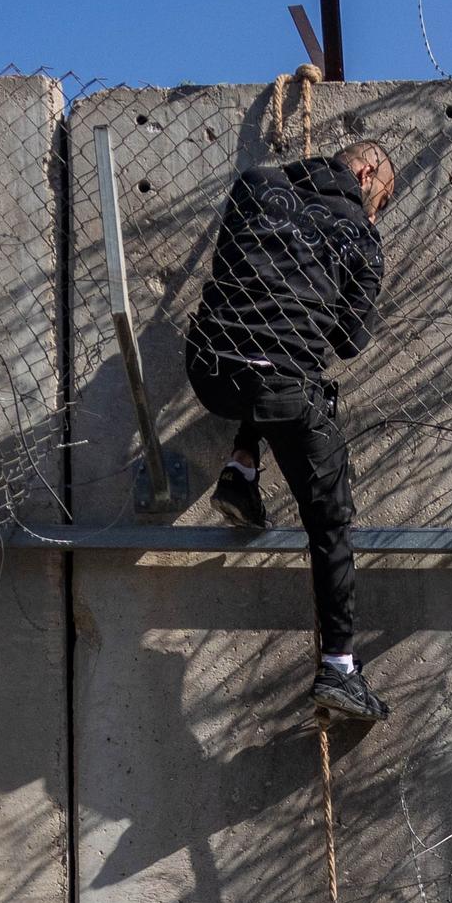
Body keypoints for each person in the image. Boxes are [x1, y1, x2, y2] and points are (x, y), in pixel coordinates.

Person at [184, 136, 399, 728]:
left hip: (211, 367)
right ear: (364, 171)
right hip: (282, 390)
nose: (373, 208)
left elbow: (231, 266)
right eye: (377, 196)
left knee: (264, 349)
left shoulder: (258, 181)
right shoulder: (360, 232)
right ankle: (339, 666)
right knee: (330, 520)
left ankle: (242, 470)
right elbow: (350, 342)